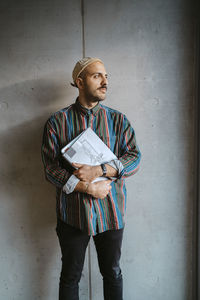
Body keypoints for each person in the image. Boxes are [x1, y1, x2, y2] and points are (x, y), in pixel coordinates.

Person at [41, 57, 141, 300]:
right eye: (97, 76)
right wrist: (85, 186)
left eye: (106, 76)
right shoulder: (57, 122)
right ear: (80, 82)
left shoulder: (118, 120)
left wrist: (100, 171)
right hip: (73, 214)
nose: (105, 81)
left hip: (111, 212)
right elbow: (51, 168)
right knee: (70, 277)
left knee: (113, 273)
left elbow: (134, 157)